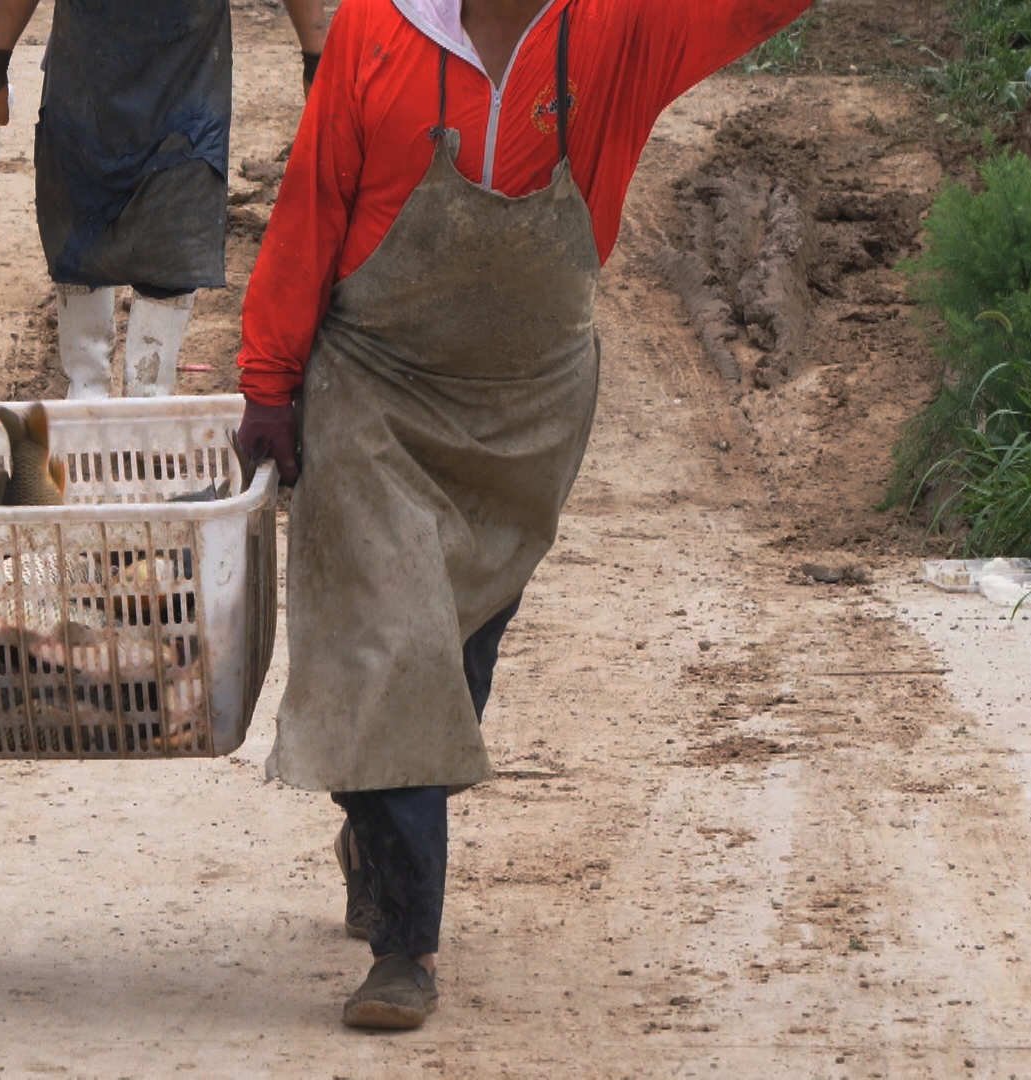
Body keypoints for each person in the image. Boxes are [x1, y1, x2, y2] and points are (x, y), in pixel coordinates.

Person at [235, 0, 810, 1030]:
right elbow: (313, 205)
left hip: (525, 417)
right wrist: (269, 381)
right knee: (394, 652)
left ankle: (377, 829)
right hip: (376, 392)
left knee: (451, 663)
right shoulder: (374, 31)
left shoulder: (618, 29)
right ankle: (403, 950)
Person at [0, 0, 328, 399]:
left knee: (173, 234)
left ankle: (148, 403)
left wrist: (315, 56)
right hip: (87, 84)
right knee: (79, 231)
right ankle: (86, 401)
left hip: (186, 90)